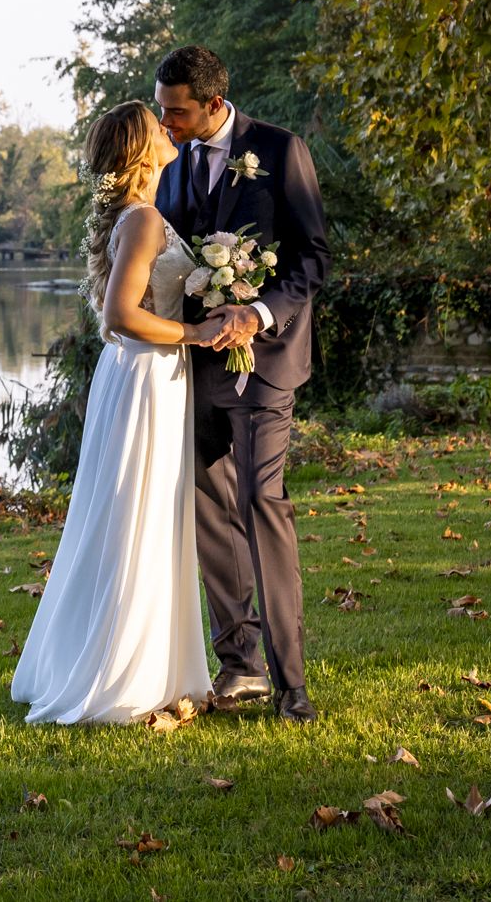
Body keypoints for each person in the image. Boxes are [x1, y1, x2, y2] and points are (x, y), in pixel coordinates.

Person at [9, 101, 226, 724]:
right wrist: (196, 334)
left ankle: (153, 665)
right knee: (137, 514)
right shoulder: (143, 220)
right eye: (157, 127)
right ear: (140, 150)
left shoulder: (143, 215)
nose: (167, 126)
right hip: (146, 377)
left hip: (149, 374)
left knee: (141, 513)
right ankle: (119, 673)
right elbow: (121, 316)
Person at [152, 44, 332, 723]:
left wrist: (255, 314)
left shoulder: (281, 151)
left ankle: (293, 686)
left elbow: (312, 259)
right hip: (194, 367)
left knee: (260, 500)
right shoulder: (171, 167)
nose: (165, 123)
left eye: (176, 112)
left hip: (266, 362)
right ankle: (240, 665)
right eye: (161, 110)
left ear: (214, 103)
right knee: (208, 509)